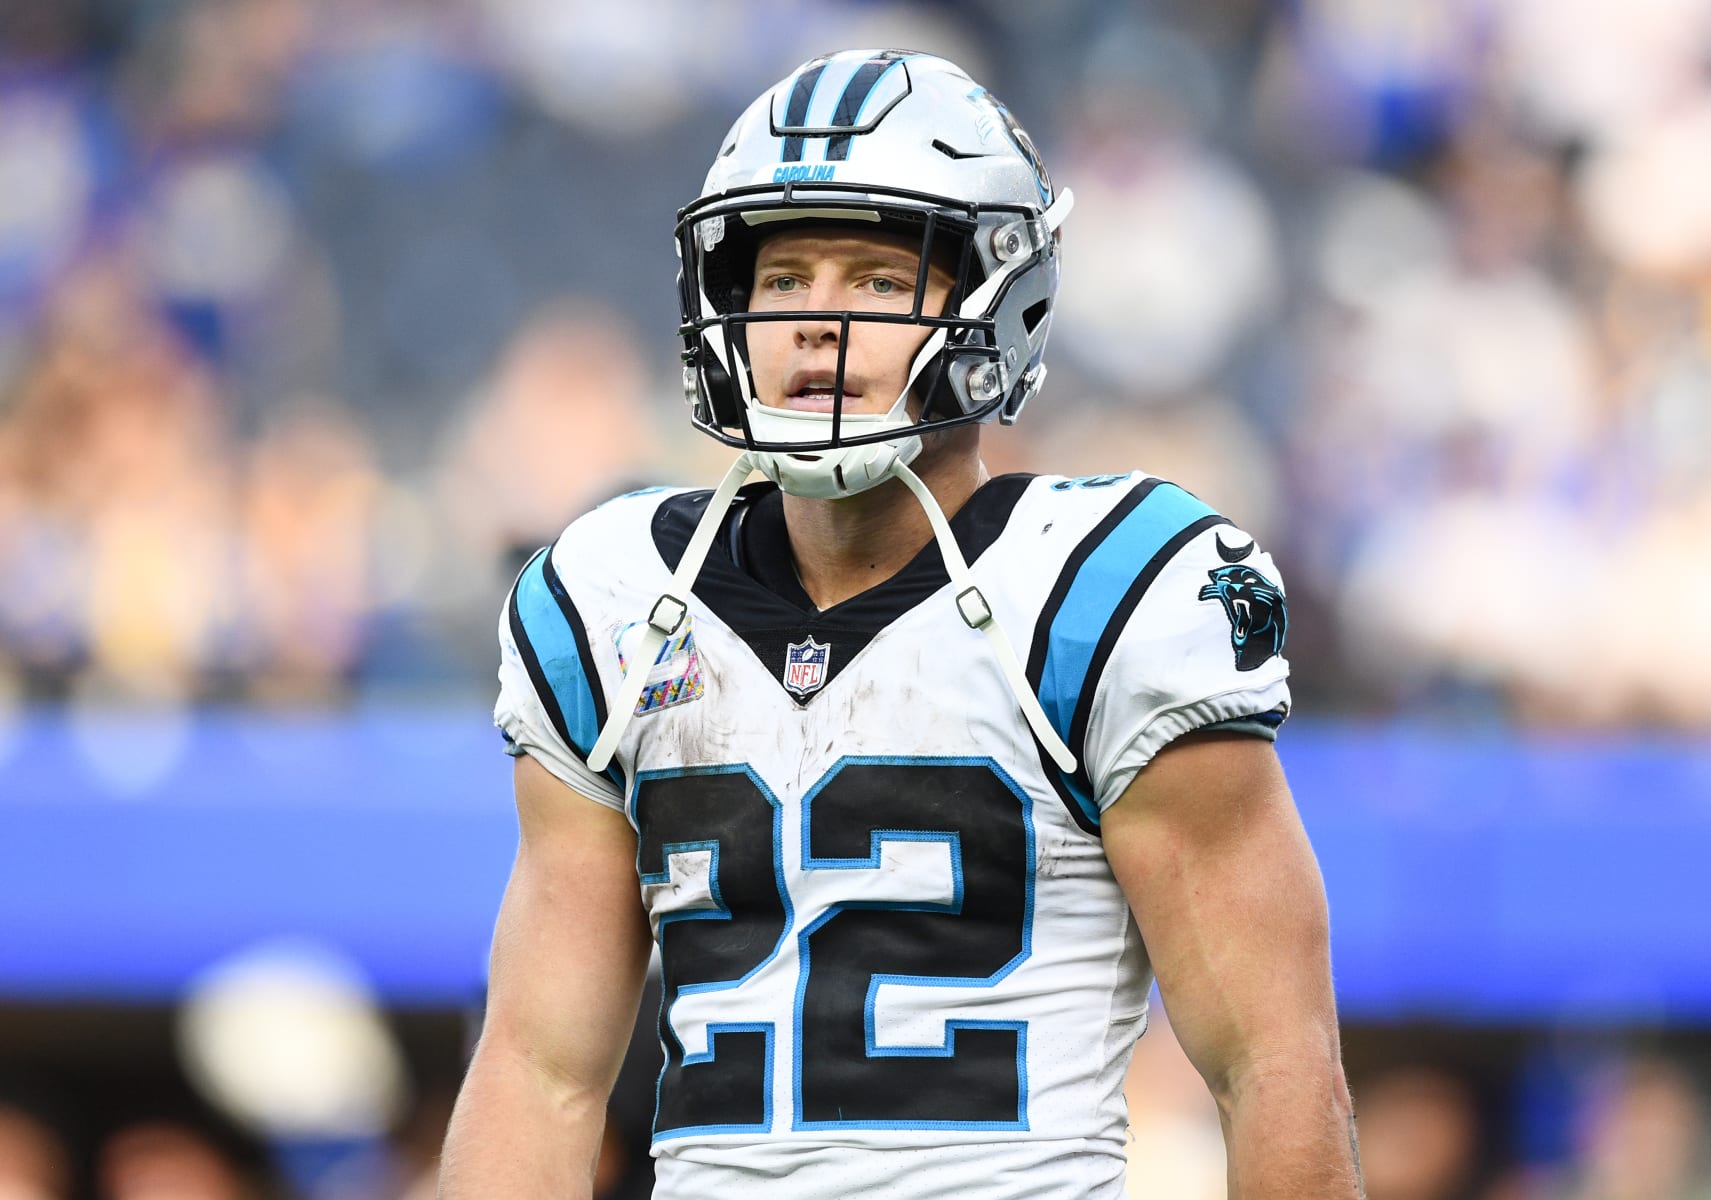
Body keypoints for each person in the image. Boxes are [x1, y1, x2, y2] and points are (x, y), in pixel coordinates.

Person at [440, 48, 1361, 1199]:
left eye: (878, 280)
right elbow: (538, 1072)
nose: (819, 323)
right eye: (784, 279)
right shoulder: (617, 594)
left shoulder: (1106, 593)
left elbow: (1273, 1063)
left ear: (997, 298)